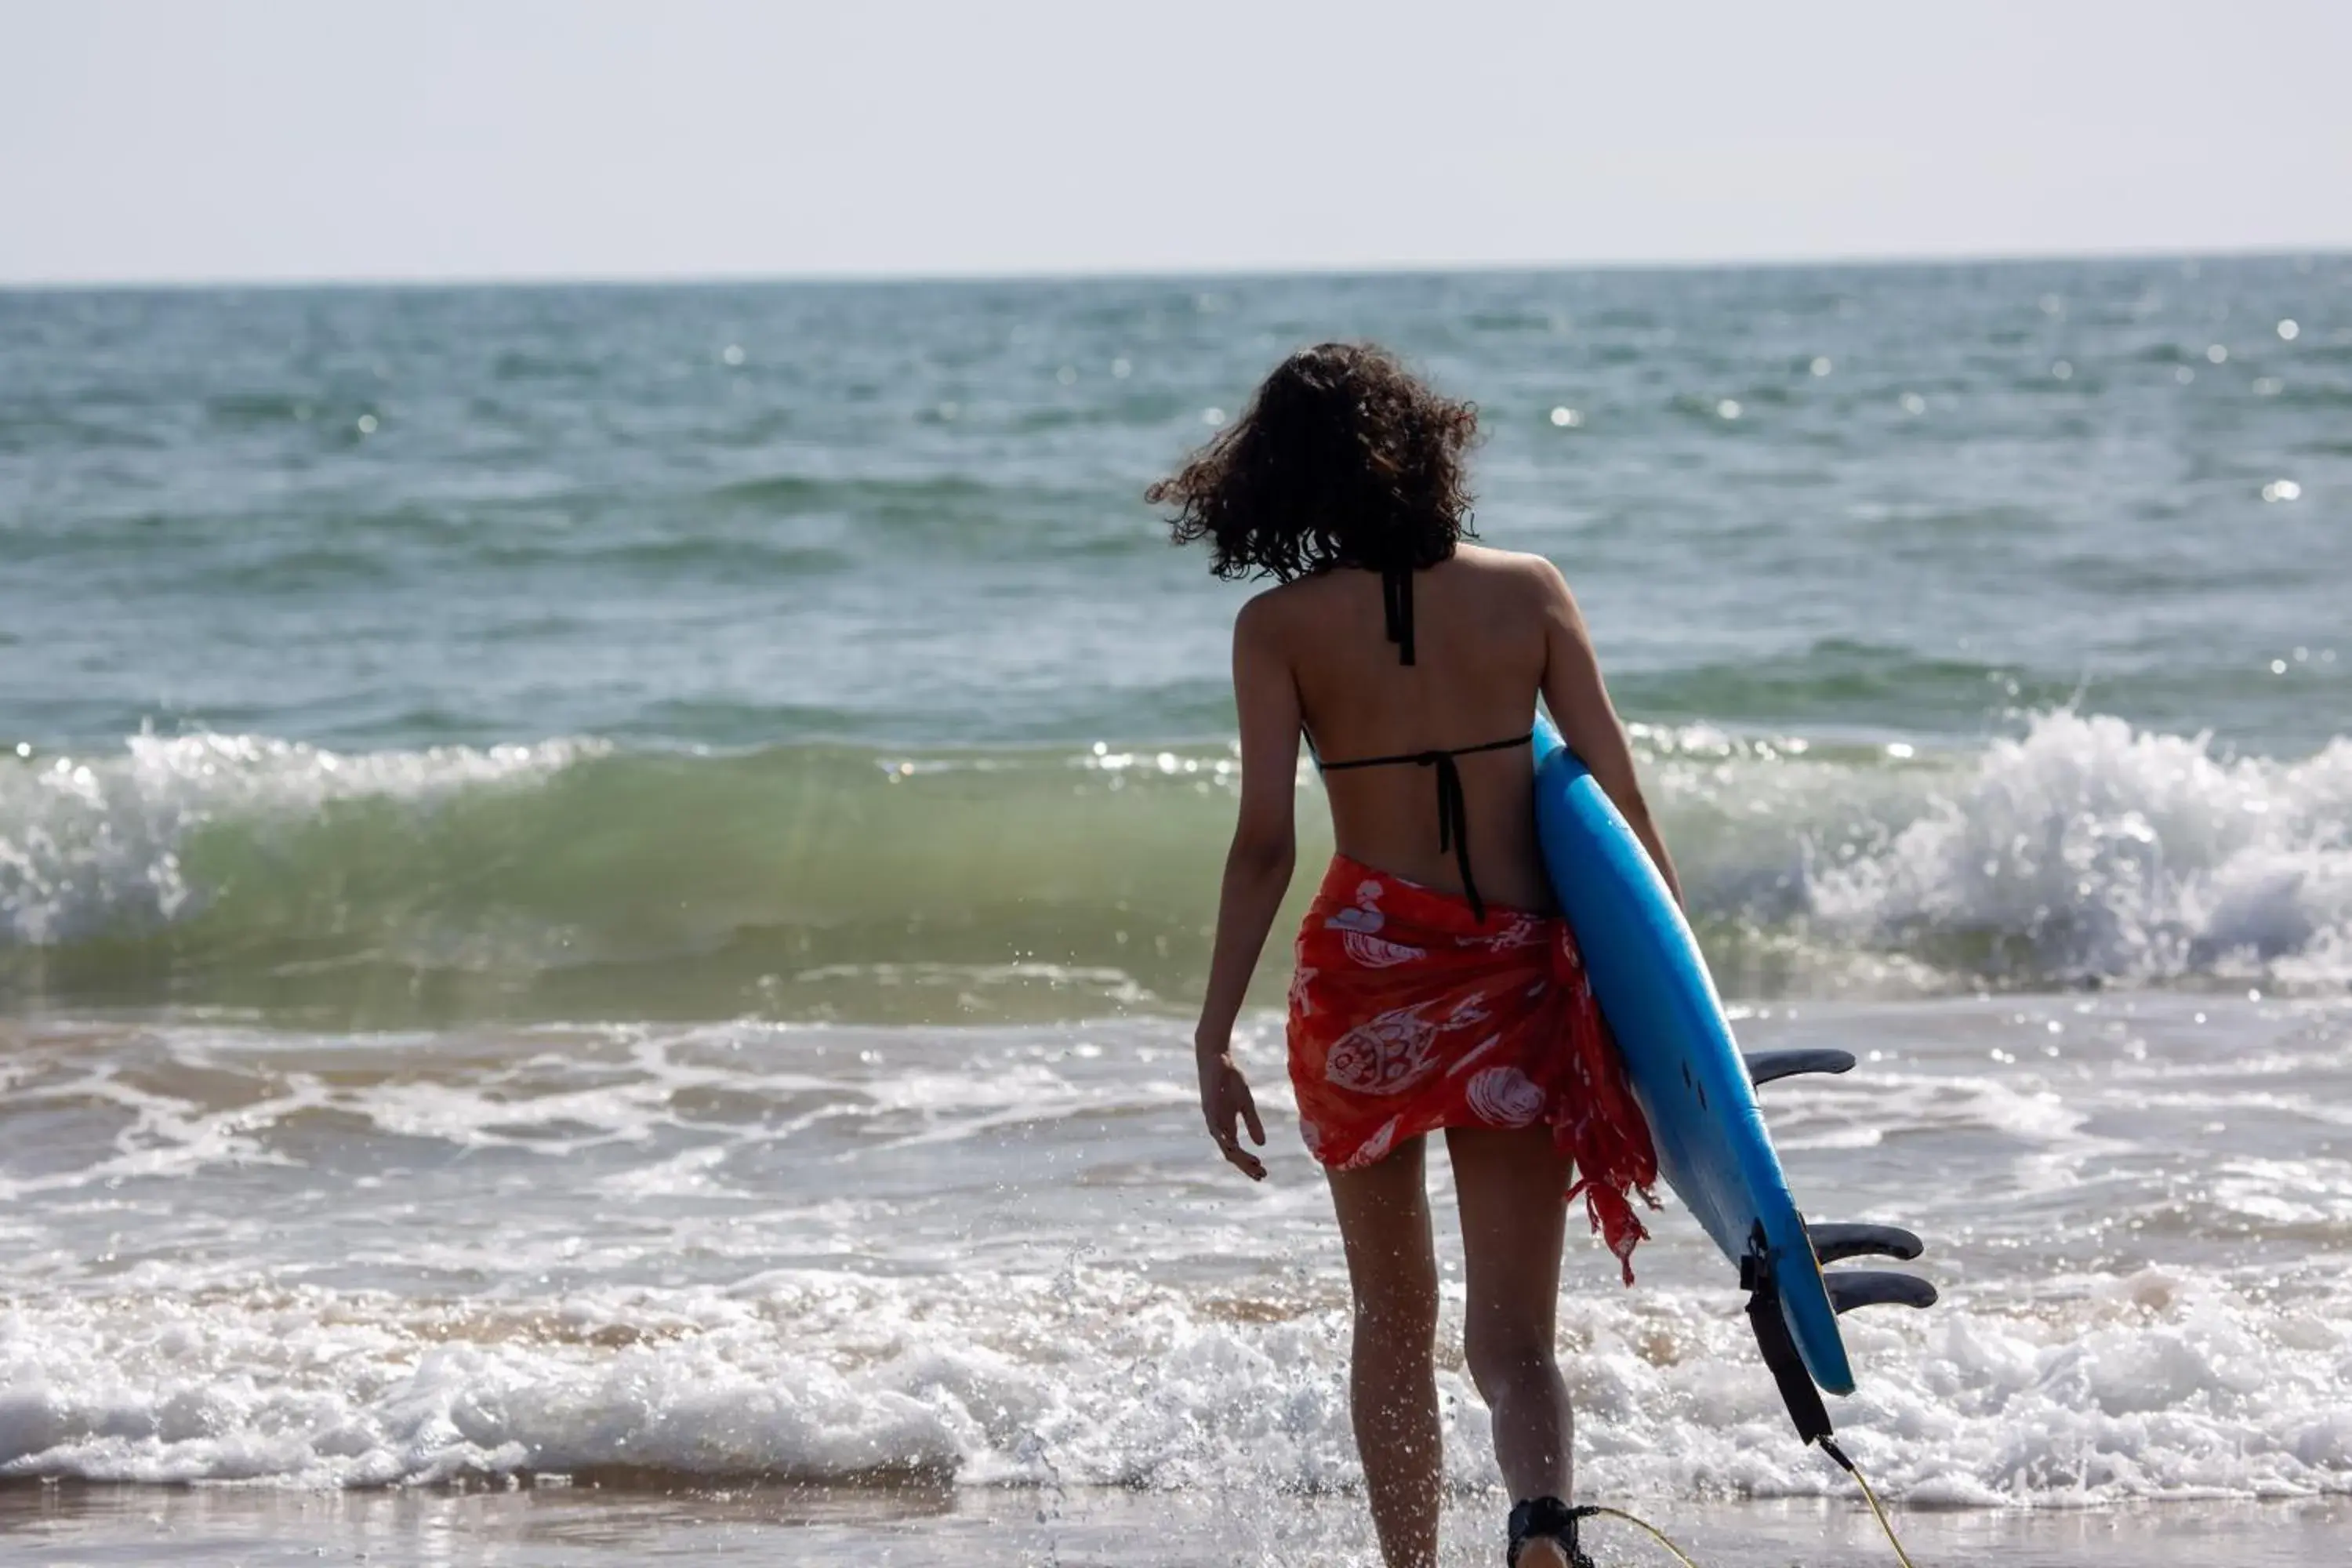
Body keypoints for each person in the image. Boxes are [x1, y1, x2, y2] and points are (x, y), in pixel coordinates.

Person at [1153, 343, 1681, 1568]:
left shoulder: (1276, 629)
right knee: (1517, 1344)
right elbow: (1620, 802)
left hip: (1364, 987)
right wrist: (1669, 1001)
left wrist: (1213, 1030)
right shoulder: (1529, 592)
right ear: (1431, 446)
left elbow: (1264, 849)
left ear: (1277, 476)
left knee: (1394, 1320)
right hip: (1516, 983)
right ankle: (1543, 1519)